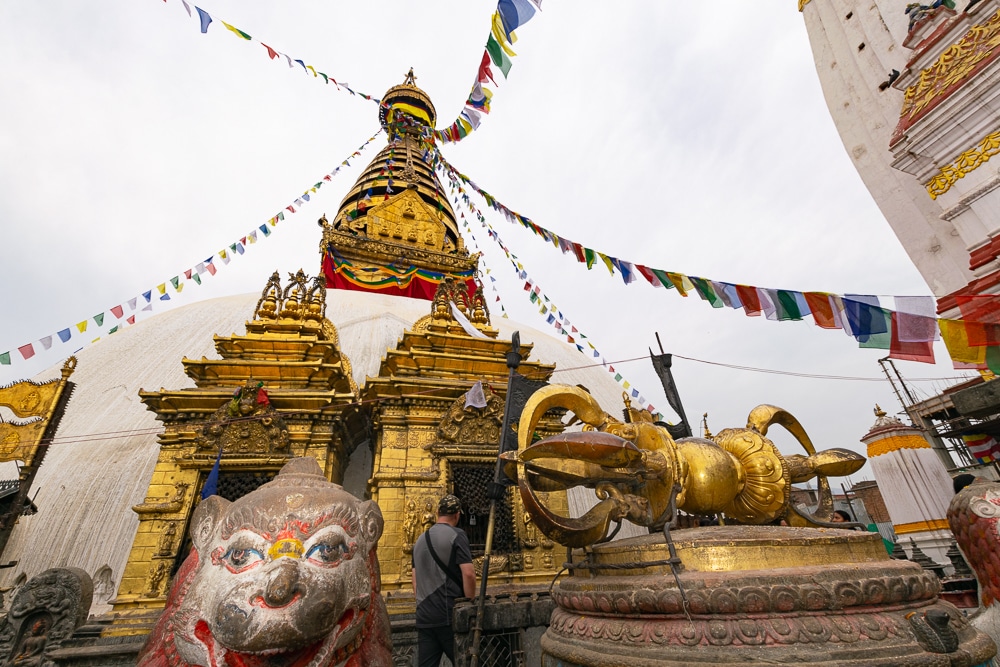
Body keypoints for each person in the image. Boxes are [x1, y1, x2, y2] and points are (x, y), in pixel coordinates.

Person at [412, 494, 476, 667]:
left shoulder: (419, 540)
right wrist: (469, 602)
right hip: (447, 614)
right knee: (465, 662)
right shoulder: (457, 535)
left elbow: (415, 581)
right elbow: (468, 573)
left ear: (438, 512)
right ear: (457, 515)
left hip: (424, 616)